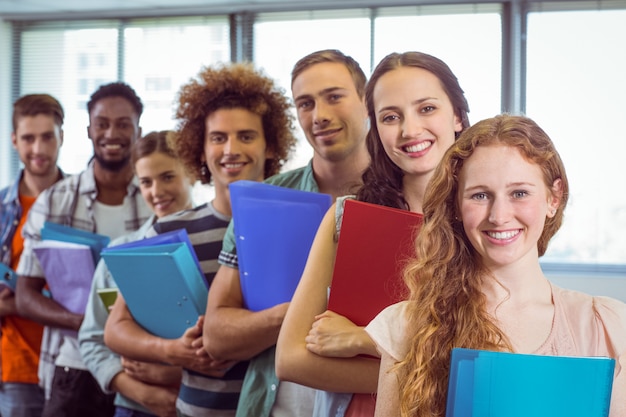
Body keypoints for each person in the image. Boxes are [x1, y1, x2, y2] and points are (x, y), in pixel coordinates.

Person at [366, 114, 626, 417]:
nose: (499, 215)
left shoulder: (607, 325)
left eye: (519, 193)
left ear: (553, 198)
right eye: (480, 195)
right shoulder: (407, 326)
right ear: (456, 206)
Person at [275, 51, 470, 416]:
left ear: (457, 116)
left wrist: (362, 340)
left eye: (426, 109)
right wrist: (424, 372)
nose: (410, 130)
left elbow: (486, 357)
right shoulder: (345, 218)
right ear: (375, 128)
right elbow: (290, 359)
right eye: (391, 117)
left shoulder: (487, 222)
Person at [103, 62, 297, 417]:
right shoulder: (169, 230)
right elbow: (116, 330)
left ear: (271, 146)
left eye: (246, 136)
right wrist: (172, 351)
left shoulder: (297, 227)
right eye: (218, 138)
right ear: (200, 149)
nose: (230, 149)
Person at [202, 49, 371, 417]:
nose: (320, 115)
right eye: (305, 103)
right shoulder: (262, 200)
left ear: (366, 102)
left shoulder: (405, 200)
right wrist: (295, 314)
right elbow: (216, 335)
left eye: (334, 96)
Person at [15, 82, 152, 417]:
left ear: (138, 130)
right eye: (102, 124)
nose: (112, 133)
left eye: (123, 124)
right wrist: (86, 321)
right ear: (89, 129)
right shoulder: (55, 200)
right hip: (72, 367)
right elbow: (24, 294)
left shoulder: (157, 199)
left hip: (142, 365)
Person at [79, 130, 195, 417]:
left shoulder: (220, 245)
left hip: (206, 404)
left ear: (191, 173)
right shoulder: (120, 253)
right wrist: (143, 393)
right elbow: (92, 339)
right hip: (135, 407)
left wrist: (176, 374)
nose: (156, 192)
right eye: (146, 182)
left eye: (168, 177)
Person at [0, 94, 65, 417]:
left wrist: (19, 301)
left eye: (47, 136)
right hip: (17, 367)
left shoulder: (81, 203)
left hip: (74, 361)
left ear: (61, 137)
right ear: (14, 140)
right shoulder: (2, 210)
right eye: (28, 138)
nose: (38, 149)